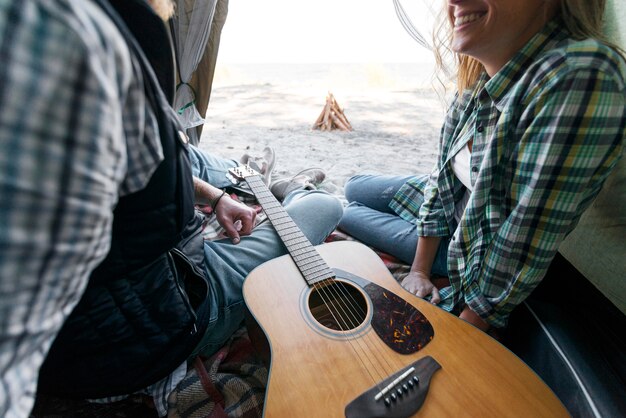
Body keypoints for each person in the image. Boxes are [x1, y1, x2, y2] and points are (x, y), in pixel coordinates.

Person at [0, 1, 342, 417]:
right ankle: (286, 188)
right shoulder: (74, 34)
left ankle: (249, 179)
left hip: (132, 275)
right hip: (157, 319)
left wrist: (215, 199)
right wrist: (197, 201)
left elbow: (156, 165)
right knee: (325, 206)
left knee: (191, 156)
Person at [339, 0, 625, 333]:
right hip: (457, 202)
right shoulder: (484, 72)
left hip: (471, 245)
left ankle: (301, 193)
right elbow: (443, 176)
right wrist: (418, 272)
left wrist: (467, 331)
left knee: (347, 213)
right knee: (352, 186)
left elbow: (523, 237)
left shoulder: (582, 74)